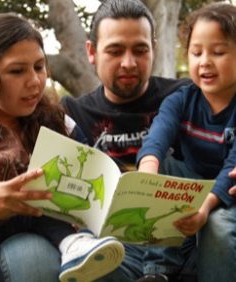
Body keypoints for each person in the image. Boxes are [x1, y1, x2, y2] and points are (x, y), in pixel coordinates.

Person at [0, 14, 124, 282]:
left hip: (68, 242)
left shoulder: (61, 125)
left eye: (39, 67)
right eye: (17, 71)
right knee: (30, 254)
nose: (34, 81)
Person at [62, 0, 194, 281]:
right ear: (91, 52)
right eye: (115, 50)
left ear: (154, 49)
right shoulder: (73, 113)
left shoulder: (186, 96)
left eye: (140, 50)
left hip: (186, 238)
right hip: (114, 247)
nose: (129, 63)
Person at [136, 3, 236, 282]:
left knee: (219, 226)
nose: (205, 61)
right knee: (165, 167)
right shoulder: (181, 99)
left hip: (228, 194)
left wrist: (205, 208)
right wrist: (148, 170)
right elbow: (158, 135)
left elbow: (232, 167)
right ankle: (157, 270)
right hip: (191, 184)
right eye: (196, 52)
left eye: (218, 52)